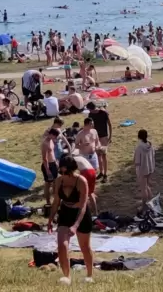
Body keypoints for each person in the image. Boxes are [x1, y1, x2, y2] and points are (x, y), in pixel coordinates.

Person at [47, 154, 94, 285]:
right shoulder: (58, 181)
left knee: (85, 246)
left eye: (64, 169)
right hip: (66, 212)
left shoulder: (81, 181)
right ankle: (66, 277)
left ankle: (89, 275)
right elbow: (56, 202)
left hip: (81, 214)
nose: (62, 172)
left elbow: (83, 205)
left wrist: (76, 225)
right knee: (62, 245)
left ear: (71, 168)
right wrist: (50, 219)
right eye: (60, 170)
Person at [87, 102, 111, 183]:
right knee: (98, 156)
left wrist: (110, 137)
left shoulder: (103, 113)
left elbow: (109, 124)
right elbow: (90, 127)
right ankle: (101, 172)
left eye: (90, 110)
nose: (90, 112)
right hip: (96, 138)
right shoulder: (90, 114)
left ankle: (105, 174)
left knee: (103, 155)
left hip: (104, 137)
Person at [134, 129, 155, 211]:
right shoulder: (150, 145)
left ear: (139, 136)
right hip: (150, 168)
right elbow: (153, 155)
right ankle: (150, 200)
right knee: (146, 186)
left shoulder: (139, 147)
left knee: (143, 188)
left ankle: (144, 206)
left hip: (142, 169)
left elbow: (137, 161)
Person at [41, 129, 60, 205]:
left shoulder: (51, 141)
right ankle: (48, 202)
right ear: (51, 134)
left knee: (55, 183)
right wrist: (47, 170)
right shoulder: (44, 143)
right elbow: (44, 158)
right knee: (48, 184)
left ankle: (56, 201)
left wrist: (56, 162)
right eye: (54, 136)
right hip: (48, 165)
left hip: (53, 163)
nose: (55, 138)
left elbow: (52, 153)